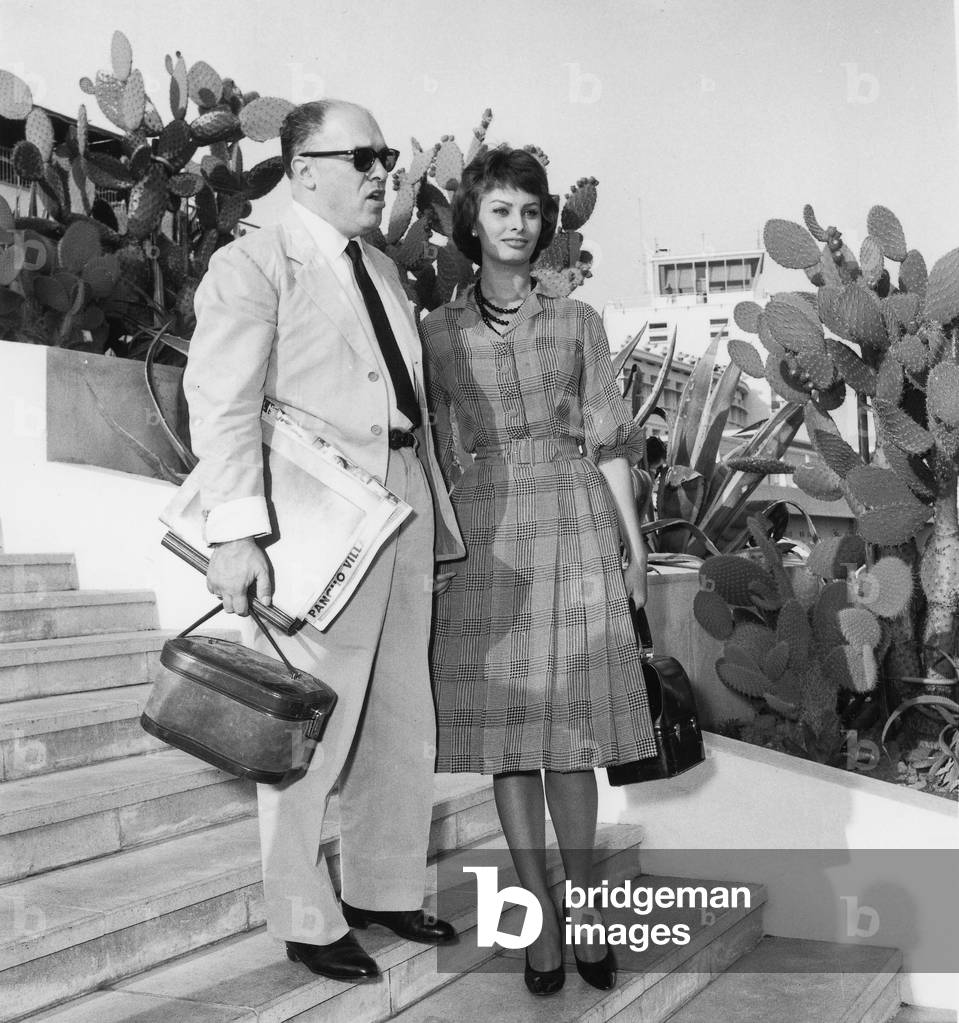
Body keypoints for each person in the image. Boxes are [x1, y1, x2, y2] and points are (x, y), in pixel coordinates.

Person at [182, 99, 465, 983]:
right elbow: (222, 402)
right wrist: (237, 537)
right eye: (364, 155)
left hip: (404, 505)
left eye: (387, 154)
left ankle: (383, 886)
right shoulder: (254, 262)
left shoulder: (383, 271)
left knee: (399, 715)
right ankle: (304, 910)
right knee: (310, 718)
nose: (384, 170)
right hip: (316, 516)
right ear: (303, 168)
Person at [420, 147, 658, 997]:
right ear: (471, 223)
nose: (516, 224)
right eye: (499, 210)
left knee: (572, 734)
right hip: (483, 531)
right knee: (508, 735)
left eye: (528, 210)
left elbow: (611, 439)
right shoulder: (435, 332)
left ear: (543, 220)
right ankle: (539, 919)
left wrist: (631, 551)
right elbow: (436, 452)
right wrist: (438, 555)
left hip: (572, 515)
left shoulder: (579, 321)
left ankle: (584, 904)